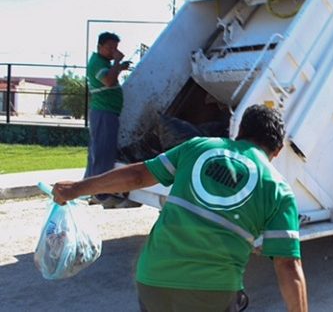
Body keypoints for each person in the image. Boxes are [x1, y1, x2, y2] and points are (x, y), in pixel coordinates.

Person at [52, 105, 308, 312]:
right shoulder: (279, 190)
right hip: (213, 293)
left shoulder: (197, 147)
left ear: (239, 132)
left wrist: (76, 188)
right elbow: (287, 266)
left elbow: (139, 175)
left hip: (153, 280)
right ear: (277, 150)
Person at [85, 31, 132, 208]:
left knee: (98, 152)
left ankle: (90, 189)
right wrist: (118, 62)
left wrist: (119, 66)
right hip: (104, 113)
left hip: (106, 112)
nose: (114, 51)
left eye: (116, 48)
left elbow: (110, 75)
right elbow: (109, 81)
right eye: (110, 48)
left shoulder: (103, 62)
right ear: (99, 47)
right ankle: (101, 194)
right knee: (104, 153)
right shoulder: (97, 63)